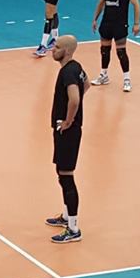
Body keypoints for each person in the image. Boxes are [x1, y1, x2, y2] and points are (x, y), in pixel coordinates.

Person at [44, 34, 87, 244]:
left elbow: (75, 98)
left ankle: (74, 228)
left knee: (66, 176)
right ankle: (66, 216)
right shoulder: (76, 67)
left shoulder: (68, 72)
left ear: (67, 51)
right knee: (61, 173)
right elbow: (86, 85)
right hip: (66, 130)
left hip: (67, 132)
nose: (53, 49)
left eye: (57, 47)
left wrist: (69, 120)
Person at [88, 0, 140, 91]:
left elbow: (136, 5)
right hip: (106, 23)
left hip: (120, 25)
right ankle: (104, 75)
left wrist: (136, 23)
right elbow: (100, 4)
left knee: (121, 52)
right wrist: (95, 19)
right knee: (104, 50)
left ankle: (127, 79)